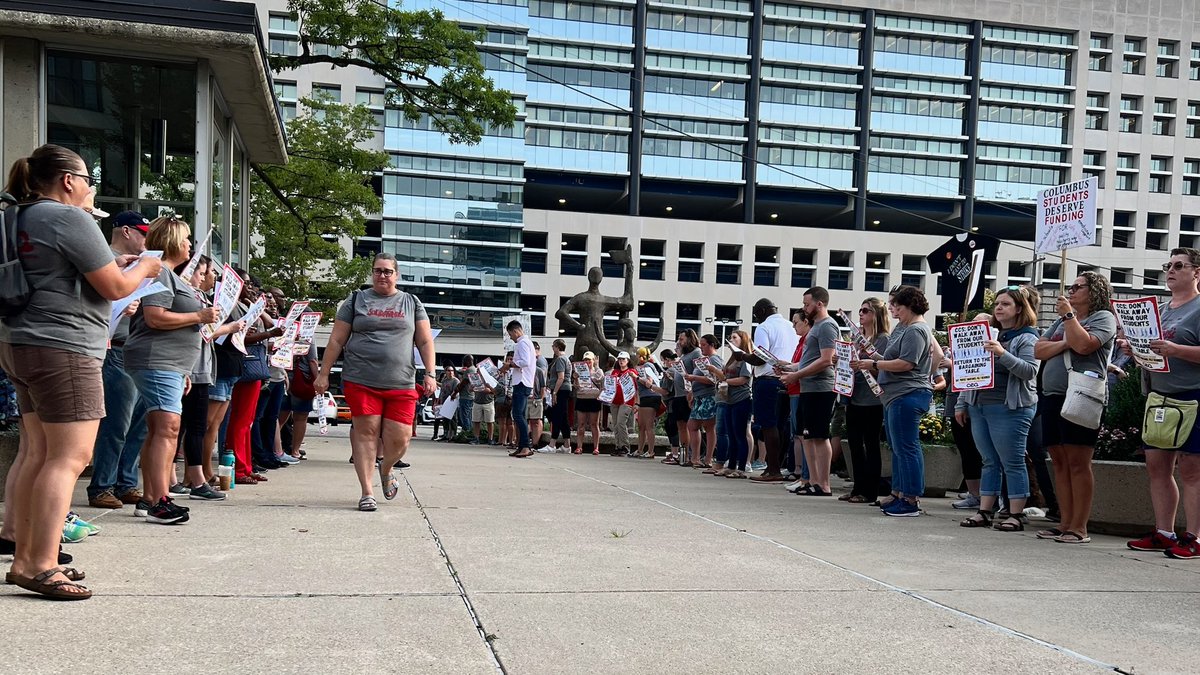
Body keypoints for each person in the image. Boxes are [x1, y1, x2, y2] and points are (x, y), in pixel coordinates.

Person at [0, 144, 163, 599]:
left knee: (37, 452)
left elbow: (67, 271)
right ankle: (40, 564)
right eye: (88, 179)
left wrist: (121, 266)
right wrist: (148, 266)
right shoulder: (68, 217)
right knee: (70, 458)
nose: (91, 188)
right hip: (66, 346)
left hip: (21, 342)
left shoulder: (17, 215)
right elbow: (112, 286)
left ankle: (25, 555)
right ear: (68, 180)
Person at [315, 253, 437, 511]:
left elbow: (425, 341)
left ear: (397, 274)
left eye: (388, 271)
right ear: (372, 273)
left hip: (401, 382)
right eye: (378, 271)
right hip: (361, 379)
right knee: (366, 433)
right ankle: (367, 491)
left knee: (401, 439)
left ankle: (387, 467)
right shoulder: (356, 300)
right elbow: (336, 340)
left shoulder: (411, 302)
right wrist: (323, 373)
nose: (382, 275)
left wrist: (430, 372)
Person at [124, 216, 219, 523]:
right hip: (157, 360)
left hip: (170, 364)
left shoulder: (169, 276)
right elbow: (155, 317)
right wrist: (199, 316)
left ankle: (152, 497)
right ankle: (159, 499)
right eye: (187, 238)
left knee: (158, 430)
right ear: (174, 242)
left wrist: (185, 369)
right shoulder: (161, 275)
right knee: (167, 429)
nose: (190, 245)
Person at [1126, 249, 1200, 559]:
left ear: (1196, 272)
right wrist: (1135, 349)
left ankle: (1195, 537)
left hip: (1193, 396)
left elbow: (1176, 349)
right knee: (1157, 466)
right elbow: (1156, 349)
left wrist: (1176, 349)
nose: (1170, 270)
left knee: (1192, 471)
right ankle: (1164, 532)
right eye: (1168, 265)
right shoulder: (1161, 308)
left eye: (1179, 266)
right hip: (1159, 397)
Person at [1034, 272, 1116, 544]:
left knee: (1078, 462)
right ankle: (1064, 522)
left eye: (1078, 287)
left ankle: (1079, 527)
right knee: (1059, 460)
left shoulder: (1102, 317)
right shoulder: (1061, 321)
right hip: (1054, 395)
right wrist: (1066, 338)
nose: (1071, 291)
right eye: (1071, 286)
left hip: (1081, 394)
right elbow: (1039, 350)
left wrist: (1070, 319)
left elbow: (1084, 345)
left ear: (1094, 291)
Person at [956, 287, 1040, 532]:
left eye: (1006, 304)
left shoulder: (1028, 337)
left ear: (1020, 309)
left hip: (1010, 407)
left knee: (1012, 461)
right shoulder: (990, 333)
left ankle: (1015, 514)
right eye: (997, 304)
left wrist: (1002, 354)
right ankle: (985, 510)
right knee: (989, 460)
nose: (999, 308)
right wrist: (962, 403)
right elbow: (968, 369)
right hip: (979, 405)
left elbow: (1029, 371)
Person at [87, 210, 152, 509]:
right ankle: (102, 485)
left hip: (134, 349)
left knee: (138, 423)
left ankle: (126, 482)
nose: (146, 239)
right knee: (116, 423)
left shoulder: (142, 265)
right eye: (142, 232)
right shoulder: (101, 256)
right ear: (126, 231)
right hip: (112, 347)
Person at [852, 285, 934, 517]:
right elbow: (892, 357)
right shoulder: (904, 328)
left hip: (907, 393)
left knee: (907, 448)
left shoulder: (916, 330)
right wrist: (872, 356)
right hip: (896, 395)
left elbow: (907, 363)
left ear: (909, 306)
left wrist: (874, 364)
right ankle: (899, 493)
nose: (893, 309)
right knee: (898, 448)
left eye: (897, 305)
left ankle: (911, 498)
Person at [177, 255, 240, 499]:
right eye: (202, 273)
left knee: (195, 425)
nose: (207, 277)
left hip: (202, 368)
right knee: (184, 427)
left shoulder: (201, 298)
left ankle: (194, 477)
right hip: (189, 367)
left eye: (208, 273)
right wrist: (229, 328)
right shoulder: (187, 297)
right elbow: (205, 332)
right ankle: (184, 478)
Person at [782, 287, 838, 496]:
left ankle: (823, 483)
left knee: (819, 435)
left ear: (819, 304)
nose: (805, 308)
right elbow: (810, 360)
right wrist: (790, 368)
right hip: (808, 387)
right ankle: (812, 480)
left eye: (807, 304)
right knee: (808, 436)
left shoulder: (827, 326)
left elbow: (826, 360)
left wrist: (796, 375)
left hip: (821, 388)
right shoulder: (816, 327)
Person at [745, 298, 800, 483]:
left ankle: (773, 468)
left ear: (762, 311)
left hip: (767, 379)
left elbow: (761, 357)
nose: (756, 318)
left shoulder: (764, 327)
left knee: (768, 425)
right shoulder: (791, 325)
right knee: (782, 424)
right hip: (788, 378)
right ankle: (780, 466)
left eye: (756, 314)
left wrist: (742, 355)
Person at [844, 298, 889, 504]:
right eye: (860, 310)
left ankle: (870, 490)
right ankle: (857, 487)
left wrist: (864, 364)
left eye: (866, 311)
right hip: (854, 395)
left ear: (876, 315)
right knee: (854, 443)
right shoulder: (857, 337)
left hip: (873, 399)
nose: (861, 314)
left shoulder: (883, 339)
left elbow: (883, 367)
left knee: (870, 444)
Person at [710, 331, 753, 478]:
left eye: (735, 337)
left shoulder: (745, 359)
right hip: (728, 399)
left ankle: (741, 468)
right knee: (731, 434)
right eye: (730, 337)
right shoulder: (731, 359)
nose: (731, 340)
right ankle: (731, 465)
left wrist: (725, 381)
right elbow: (725, 376)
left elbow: (744, 379)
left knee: (740, 434)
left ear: (743, 340)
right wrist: (717, 374)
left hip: (741, 399)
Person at [683, 335, 724, 468]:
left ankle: (707, 458)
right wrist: (692, 392)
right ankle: (696, 457)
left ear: (711, 345)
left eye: (704, 345)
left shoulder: (714, 359)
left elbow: (715, 379)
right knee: (693, 425)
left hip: (708, 396)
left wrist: (694, 377)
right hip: (699, 396)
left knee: (708, 426)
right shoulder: (703, 360)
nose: (701, 347)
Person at [499, 321, 536, 457]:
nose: (510, 337)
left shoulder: (522, 343)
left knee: (518, 415)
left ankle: (525, 445)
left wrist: (510, 364)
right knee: (521, 415)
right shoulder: (526, 343)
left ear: (515, 331)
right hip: (523, 382)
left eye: (510, 334)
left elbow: (525, 362)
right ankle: (522, 446)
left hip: (521, 382)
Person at [673, 330, 700, 465]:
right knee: (681, 425)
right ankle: (683, 454)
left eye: (682, 339)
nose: (679, 341)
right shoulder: (684, 355)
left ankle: (690, 455)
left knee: (689, 425)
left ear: (690, 339)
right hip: (678, 394)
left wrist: (692, 392)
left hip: (687, 394)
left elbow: (697, 371)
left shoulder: (696, 353)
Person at [608, 351, 640, 457]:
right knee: (616, 425)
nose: (621, 361)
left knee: (621, 423)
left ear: (628, 360)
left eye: (623, 359)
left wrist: (637, 402)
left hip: (627, 401)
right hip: (615, 401)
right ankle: (618, 446)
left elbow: (637, 388)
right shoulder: (615, 372)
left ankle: (625, 447)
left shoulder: (632, 371)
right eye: (620, 359)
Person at [634, 347, 663, 458]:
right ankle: (640, 449)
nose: (637, 357)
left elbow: (649, 382)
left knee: (648, 425)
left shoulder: (648, 366)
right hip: (644, 397)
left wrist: (637, 377)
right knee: (641, 425)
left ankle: (651, 451)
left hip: (651, 396)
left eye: (638, 355)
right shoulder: (640, 367)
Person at [572, 351, 603, 455]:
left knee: (594, 424)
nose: (587, 362)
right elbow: (576, 387)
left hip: (594, 398)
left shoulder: (598, 371)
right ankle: (579, 446)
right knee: (581, 424)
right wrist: (576, 378)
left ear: (593, 361)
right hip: (582, 397)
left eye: (589, 360)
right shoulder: (578, 371)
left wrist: (596, 368)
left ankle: (596, 447)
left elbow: (601, 381)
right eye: (585, 360)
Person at [654, 349, 681, 463]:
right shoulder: (678, 369)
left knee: (672, 426)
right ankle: (676, 452)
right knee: (672, 425)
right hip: (677, 400)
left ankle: (675, 453)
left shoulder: (670, 371)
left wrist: (651, 386)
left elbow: (665, 391)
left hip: (673, 401)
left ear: (667, 360)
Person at [547, 339, 573, 451]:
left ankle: (552, 444)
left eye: (553, 346)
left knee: (557, 415)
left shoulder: (560, 360)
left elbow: (561, 377)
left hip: (561, 389)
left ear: (557, 347)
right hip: (565, 389)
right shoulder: (566, 359)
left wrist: (555, 392)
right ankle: (567, 444)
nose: (552, 348)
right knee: (562, 417)